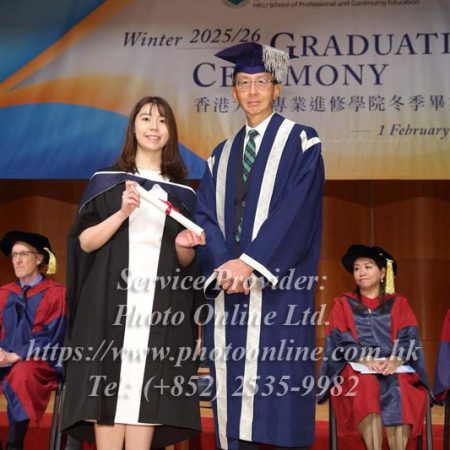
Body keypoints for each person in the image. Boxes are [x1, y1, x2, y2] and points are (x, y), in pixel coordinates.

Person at [195, 42, 324, 450]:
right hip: (230, 292)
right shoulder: (220, 155)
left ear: (277, 89)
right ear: (233, 92)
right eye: (244, 83)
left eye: (262, 82)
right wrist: (224, 266)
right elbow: (204, 215)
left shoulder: (301, 141)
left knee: (278, 391)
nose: (253, 91)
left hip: (279, 290)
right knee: (231, 389)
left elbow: (297, 211)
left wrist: (250, 263)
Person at [61, 96, 205, 450]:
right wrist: (122, 212)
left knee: (148, 392)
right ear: (133, 127)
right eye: (146, 118)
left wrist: (185, 244)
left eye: (162, 120)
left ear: (171, 131)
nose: (154, 127)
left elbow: (187, 264)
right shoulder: (107, 183)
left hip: (159, 309)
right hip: (108, 306)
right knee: (108, 392)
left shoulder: (183, 194)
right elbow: (85, 243)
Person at [319, 244, 430, 450]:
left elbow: (409, 338)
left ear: (383, 273)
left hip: (394, 366)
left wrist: (394, 360)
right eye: (357, 268)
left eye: (368, 267)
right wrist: (366, 359)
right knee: (366, 385)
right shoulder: (343, 304)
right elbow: (339, 339)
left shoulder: (399, 303)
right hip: (357, 367)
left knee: (400, 388)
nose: (361, 272)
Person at [0, 231, 66, 450]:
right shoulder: (3, 293)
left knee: (22, 374)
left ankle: (14, 444)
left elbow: (52, 334)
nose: (17, 260)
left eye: (23, 254)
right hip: (4, 359)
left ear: (39, 258)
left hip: (39, 360)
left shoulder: (57, 294)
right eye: (14, 255)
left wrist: (17, 354)